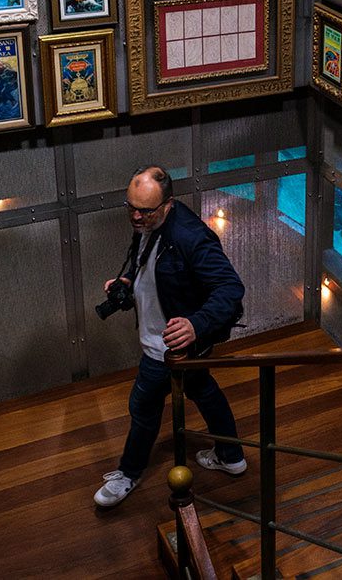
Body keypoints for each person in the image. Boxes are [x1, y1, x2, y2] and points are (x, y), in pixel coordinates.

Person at [93, 167, 247, 508]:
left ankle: (128, 474)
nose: (136, 216)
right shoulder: (150, 224)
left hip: (167, 347)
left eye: (145, 210)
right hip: (181, 345)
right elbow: (147, 259)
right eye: (130, 207)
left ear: (168, 204)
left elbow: (231, 288)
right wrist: (128, 283)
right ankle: (231, 455)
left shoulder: (191, 237)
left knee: (143, 406)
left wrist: (196, 324)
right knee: (203, 389)